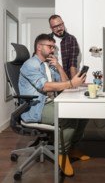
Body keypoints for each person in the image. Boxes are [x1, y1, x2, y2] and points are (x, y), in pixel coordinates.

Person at [18, 34, 90, 177]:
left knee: (83, 112)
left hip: (51, 103)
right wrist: (71, 83)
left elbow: (64, 85)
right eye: (50, 47)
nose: (53, 50)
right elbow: (44, 87)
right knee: (70, 117)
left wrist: (58, 66)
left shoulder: (48, 66)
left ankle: (72, 149)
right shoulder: (30, 64)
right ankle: (62, 155)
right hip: (36, 108)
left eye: (53, 47)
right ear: (39, 47)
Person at [48, 14, 80, 79]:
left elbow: (73, 64)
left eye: (60, 25)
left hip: (65, 78)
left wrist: (73, 83)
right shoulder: (46, 39)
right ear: (51, 28)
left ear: (63, 23)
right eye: (55, 27)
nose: (59, 28)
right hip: (50, 78)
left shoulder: (71, 39)